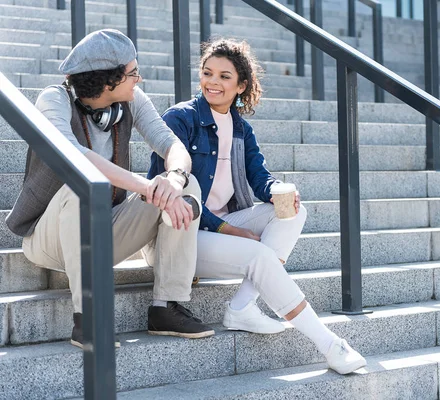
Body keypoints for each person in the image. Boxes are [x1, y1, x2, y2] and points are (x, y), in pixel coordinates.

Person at [147, 38, 367, 375]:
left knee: (293, 211)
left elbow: (260, 177)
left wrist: (281, 190)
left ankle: (243, 304)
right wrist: (228, 228)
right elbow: (168, 190)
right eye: (207, 74)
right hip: (180, 233)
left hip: (221, 228)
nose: (213, 83)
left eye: (224, 76)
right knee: (260, 256)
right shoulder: (181, 119)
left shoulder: (240, 129)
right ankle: (328, 344)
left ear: (241, 85)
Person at [5, 29, 214, 348]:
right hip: (49, 237)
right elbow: (73, 154)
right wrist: (146, 186)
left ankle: (166, 307)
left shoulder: (131, 101)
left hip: (104, 230)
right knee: (83, 185)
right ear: (107, 80)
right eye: (132, 73)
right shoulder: (54, 99)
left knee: (187, 185)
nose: (138, 79)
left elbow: (171, 143)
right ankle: (88, 318)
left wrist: (172, 181)